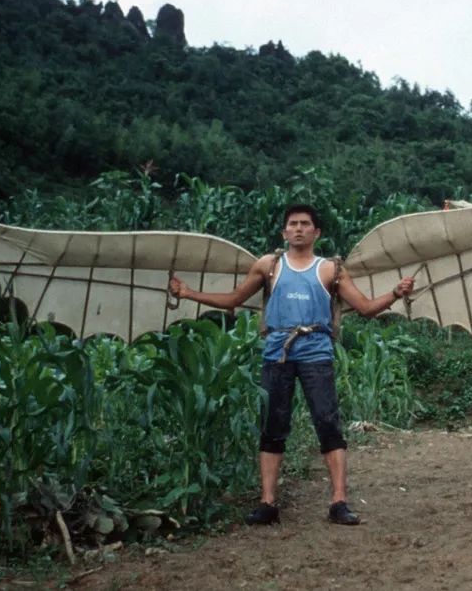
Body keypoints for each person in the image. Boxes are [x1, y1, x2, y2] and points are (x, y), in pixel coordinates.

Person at [169, 204, 415, 524]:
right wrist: (188, 293)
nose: (298, 228)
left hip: (316, 352)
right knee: (272, 426)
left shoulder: (330, 270)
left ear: (317, 233)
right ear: (284, 232)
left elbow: (366, 308)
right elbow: (233, 300)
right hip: (277, 353)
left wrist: (396, 293)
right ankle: (268, 504)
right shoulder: (268, 266)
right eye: (293, 224)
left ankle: (339, 501)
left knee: (327, 422)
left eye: (305, 224)